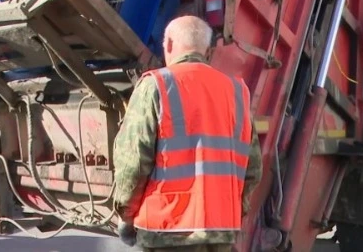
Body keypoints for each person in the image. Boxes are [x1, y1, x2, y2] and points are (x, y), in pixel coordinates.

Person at [112, 16, 263, 252]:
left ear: (169, 45)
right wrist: (231, 214)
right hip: (220, 233)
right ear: (208, 51)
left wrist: (126, 215)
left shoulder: (156, 85)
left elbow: (134, 163)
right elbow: (252, 169)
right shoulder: (237, 93)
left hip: (166, 230)